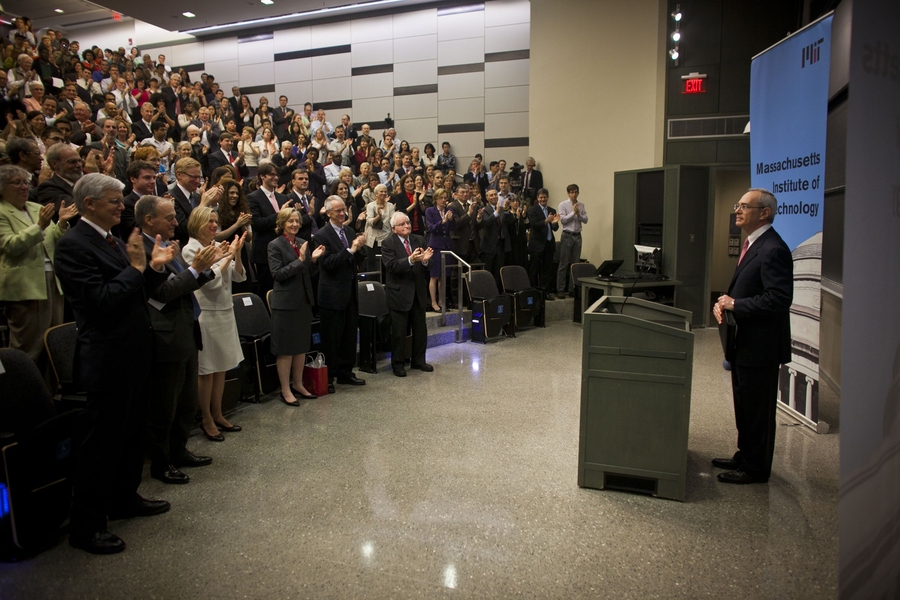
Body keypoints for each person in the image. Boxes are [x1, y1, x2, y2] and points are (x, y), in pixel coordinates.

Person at [54, 174, 174, 555]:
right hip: (107, 358)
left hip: (135, 352)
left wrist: (152, 267)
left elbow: (140, 289)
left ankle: (125, 499)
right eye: (112, 201)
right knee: (101, 444)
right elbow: (100, 300)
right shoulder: (74, 245)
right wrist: (137, 269)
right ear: (88, 203)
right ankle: (87, 526)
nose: (121, 206)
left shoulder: (114, 240)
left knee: (131, 435)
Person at [135, 194, 220, 485]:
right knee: (165, 405)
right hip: (166, 335)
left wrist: (203, 269)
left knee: (186, 401)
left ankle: (179, 450)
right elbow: (161, 293)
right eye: (169, 217)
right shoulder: (140, 248)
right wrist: (197, 269)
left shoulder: (166, 245)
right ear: (149, 220)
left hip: (184, 329)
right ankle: (161, 463)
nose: (175, 221)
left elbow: (183, 283)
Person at [713, 188, 793, 485]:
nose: (738, 210)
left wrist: (736, 304)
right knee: (744, 405)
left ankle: (756, 468)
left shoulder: (773, 249)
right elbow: (748, 289)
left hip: (761, 346)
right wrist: (724, 301)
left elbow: (778, 298)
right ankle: (745, 455)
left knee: (757, 411)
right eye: (738, 205)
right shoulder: (752, 244)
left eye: (744, 206)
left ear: (764, 213)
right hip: (743, 343)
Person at [0, 165, 77, 375]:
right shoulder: (1, 212)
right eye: (17, 182)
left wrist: (61, 224)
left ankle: (51, 396)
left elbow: (55, 240)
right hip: (25, 285)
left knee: (53, 343)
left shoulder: (35, 208)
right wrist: (40, 226)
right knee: (29, 346)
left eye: (26, 182)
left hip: (53, 281)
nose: (24, 186)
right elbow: (10, 246)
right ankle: (21, 395)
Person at [183, 207, 247, 440]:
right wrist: (227, 256)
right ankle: (206, 418)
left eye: (215, 221)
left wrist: (236, 253)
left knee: (221, 368)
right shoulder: (191, 249)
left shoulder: (215, 246)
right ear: (196, 223)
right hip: (206, 313)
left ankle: (218, 413)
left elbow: (239, 276)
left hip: (225, 311)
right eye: (209, 221)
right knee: (207, 371)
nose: (213, 225)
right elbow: (209, 283)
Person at [268, 206, 325, 405]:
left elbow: (308, 272)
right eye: (290, 221)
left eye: (297, 221)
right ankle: (285, 388)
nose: (294, 224)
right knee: (286, 348)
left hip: (303, 300)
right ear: (282, 223)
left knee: (301, 346)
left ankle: (299, 383)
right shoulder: (275, 245)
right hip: (285, 303)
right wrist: (301, 260)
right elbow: (278, 274)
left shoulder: (302, 242)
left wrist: (313, 261)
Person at [312, 195, 367, 393]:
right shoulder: (321, 235)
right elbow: (327, 264)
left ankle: (345, 372)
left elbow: (357, 258)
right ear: (328, 214)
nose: (343, 214)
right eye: (338, 211)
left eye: (344, 210)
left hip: (350, 292)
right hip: (332, 294)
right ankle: (328, 376)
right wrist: (350, 250)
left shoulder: (349, 230)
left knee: (349, 336)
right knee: (331, 339)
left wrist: (360, 247)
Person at [381, 212, 434, 377]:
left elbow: (425, 264)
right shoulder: (388, 243)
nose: (407, 226)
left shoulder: (419, 239)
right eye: (402, 224)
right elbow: (391, 266)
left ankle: (419, 360)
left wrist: (425, 260)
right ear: (394, 228)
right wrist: (410, 260)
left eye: (408, 223)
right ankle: (397, 363)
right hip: (399, 293)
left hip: (418, 292)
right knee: (399, 331)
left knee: (420, 329)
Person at [247, 162, 290, 296]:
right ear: (262, 176)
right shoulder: (253, 197)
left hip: (283, 250)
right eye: (272, 174)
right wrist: (280, 215)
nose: (276, 177)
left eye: (277, 175)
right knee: (266, 289)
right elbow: (257, 223)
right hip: (264, 252)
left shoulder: (283, 197)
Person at [556, 184, 588, 299]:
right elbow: (563, 220)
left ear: (578, 193)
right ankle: (560, 289)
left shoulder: (581, 205)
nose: (574, 194)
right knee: (564, 263)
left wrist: (578, 214)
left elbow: (585, 220)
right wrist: (573, 213)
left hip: (577, 235)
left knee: (575, 264)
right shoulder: (563, 205)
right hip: (567, 235)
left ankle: (572, 289)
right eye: (572, 192)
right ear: (568, 193)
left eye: (576, 192)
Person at [425, 188, 455, 312]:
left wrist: (451, 220)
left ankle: (442, 301)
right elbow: (430, 228)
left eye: (445, 198)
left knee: (444, 276)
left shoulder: (449, 211)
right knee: (434, 275)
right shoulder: (430, 211)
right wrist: (443, 221)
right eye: (441, 198)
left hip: (446, 245)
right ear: (436, 199)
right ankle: (433, 302)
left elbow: (454, 227)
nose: (444, 200)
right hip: (435, 245)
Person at [527, 188, 560, 298]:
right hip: (537, 245)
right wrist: (546, 221)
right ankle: (533, 293)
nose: (543, 199)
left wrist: (554, 223)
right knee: (534, 270)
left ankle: (545, 293)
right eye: (541, 197)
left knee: (547, 271)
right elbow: (534, 224)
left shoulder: (552, 210)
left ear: (547, 198)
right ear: (537, 198)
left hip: (549, 245)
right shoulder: (532, 210)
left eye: (545, 197)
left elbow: (555, 228)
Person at [478, 188, 508, 290]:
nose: (494, 196)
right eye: (491, 195)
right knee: (488, 272)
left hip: (500, 245)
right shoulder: (485, 209)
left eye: (495, 194)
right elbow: (486, 222)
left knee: (498, 271)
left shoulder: (502, 209)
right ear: (487, 198)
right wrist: (496, 213)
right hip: (488, 246)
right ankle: (487, 292)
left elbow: (507, 223)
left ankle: (497, 293)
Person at [364, 183, 394, 273]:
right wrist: (379, 215)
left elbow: (392, 221)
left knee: (386, 263)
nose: (383, 193)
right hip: (373, 239)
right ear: (376, 193)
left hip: (386, 238)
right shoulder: (370, 206)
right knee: (372, 264)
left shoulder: (390, 206)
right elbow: (369, 222)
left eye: (385, 191)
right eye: (381, 191)